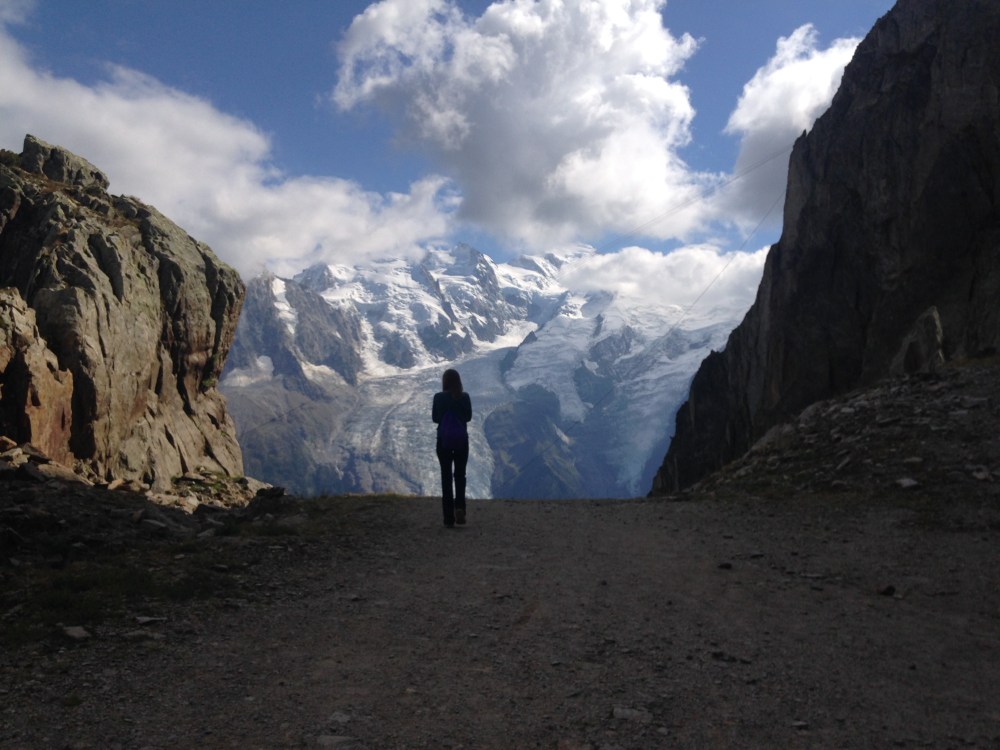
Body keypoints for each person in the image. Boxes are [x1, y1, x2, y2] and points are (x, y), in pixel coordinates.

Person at [432, 368, 472, 527]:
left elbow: (435, 419)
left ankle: (448, 518)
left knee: (446, 478)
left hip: (444, 442)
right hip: (462, 441)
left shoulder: (439, 398)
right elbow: (468, 417)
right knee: (460, 476)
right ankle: (460, 508)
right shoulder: (465, 397)